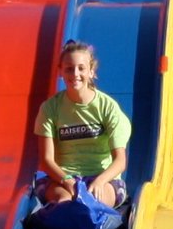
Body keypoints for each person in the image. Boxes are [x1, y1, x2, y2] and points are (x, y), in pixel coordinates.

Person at [35, 39, 132, 212]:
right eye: (69, 68)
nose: (75, 73)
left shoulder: (107, 107)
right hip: (63, 178)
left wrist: (100, 181)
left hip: (102, 177)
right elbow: (46, 160)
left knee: (94, 202)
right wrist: (68, 181)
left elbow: (120, 161)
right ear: (60, 72)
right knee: (64, 204)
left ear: (91, 72)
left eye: (81, 68)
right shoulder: (50, 108)